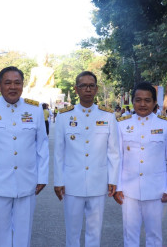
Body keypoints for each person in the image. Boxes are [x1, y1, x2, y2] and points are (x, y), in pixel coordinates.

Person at [0, 66, 49, 247]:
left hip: (27, 180)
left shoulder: (35, 109)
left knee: (24, 233)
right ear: (0, 86)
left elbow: (42, 145)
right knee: (0, 233)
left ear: (23, 85)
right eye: (7, 83)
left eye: (17, 83)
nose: (12, 87)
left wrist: (42, 177)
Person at [54, 71, 120, 247]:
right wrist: (58, 180)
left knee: (94, 231)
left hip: (98, 182)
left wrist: (113, 179)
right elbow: (59, 152)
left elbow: (114, 152)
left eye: (91, 85)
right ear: (76, 89)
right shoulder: (64, 116)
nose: (87, 89)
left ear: (96, 89)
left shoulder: (108, 115)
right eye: (83, 86)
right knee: (72, 232)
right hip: (72, 183)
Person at [114, 82, 167, 246]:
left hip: (157, 189)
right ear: (132, 101)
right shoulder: (121, 124)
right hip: (128, 190)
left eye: (147, 100)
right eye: (138, 100)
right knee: (130, 234)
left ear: (155, 102)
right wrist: (117, 187)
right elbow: (117, 158)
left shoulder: (166, 124)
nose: (142, 104)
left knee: (154, 235)